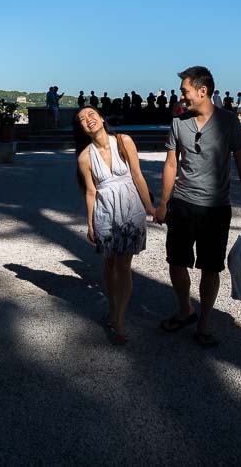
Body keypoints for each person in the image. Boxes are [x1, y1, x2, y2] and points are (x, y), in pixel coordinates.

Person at [154, 66, 241, 349]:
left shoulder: (228, 123)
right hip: (183, 204)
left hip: (216, 208)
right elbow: (171, 164)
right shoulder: (178, 122)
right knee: (176, 262)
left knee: (210, 268)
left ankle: (204, 323)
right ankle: (185, 309)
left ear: (202, 91)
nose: (182, 96)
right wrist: (163, 203)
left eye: (185, 90)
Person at [74, 107, 155, 346]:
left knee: (123, 265)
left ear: (101, 117)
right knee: (109, 263)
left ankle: (118, 320)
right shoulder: (84, 157)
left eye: (91, 115)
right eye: (82, 119)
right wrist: (90, 223)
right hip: (105, 211)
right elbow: (90, 191)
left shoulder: (123, 141)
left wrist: (151, 208)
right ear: (81, 128)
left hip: (130, 208)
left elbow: (138, 175)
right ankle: (112, 307)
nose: (88, 120)